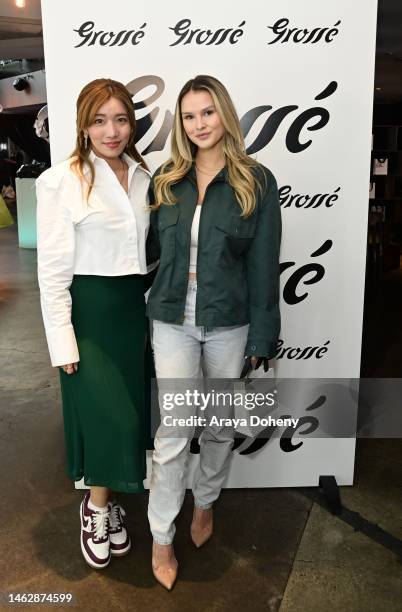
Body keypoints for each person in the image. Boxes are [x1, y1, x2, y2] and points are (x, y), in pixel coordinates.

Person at [146, 75, 281, 589]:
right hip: (172, 322)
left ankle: (204, 505)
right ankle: (162, 534)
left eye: (207, 112)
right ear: (180, 124)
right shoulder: (166, 178)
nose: (199, 123)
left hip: (230, 324)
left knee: (220, 427)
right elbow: (149, 254)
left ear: (224, 114)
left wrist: (263, 335)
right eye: (188, 115)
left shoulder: (257, 181)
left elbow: (265, 265)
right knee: (175, 432)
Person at [36, 78, 155, 570]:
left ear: (132, 123)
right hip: (88, 313)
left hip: (133, 311)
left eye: (121, 119)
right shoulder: (60, 179)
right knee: (114, 418)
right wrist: (62, 340)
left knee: (129, 417)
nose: (112, 130)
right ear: (83, 125)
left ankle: (108, 502)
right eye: (100, 120)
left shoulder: (146, 176)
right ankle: (96, 508)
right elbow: (52, 271)